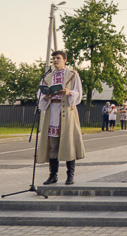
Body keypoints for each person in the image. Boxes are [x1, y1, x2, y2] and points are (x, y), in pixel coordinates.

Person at [37, 50, 85, 185]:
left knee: (69, 143)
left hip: (67, 111)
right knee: (53, 145)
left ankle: (70, 175)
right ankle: (53, 175)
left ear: (65, 60)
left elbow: (79, 93)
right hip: (52, 111)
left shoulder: (73, 74)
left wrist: (69, 92)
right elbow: (40, 95)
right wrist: (46, 96)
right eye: (53, 58)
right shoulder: (48, 77)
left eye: (58, 58)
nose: (55, 61)